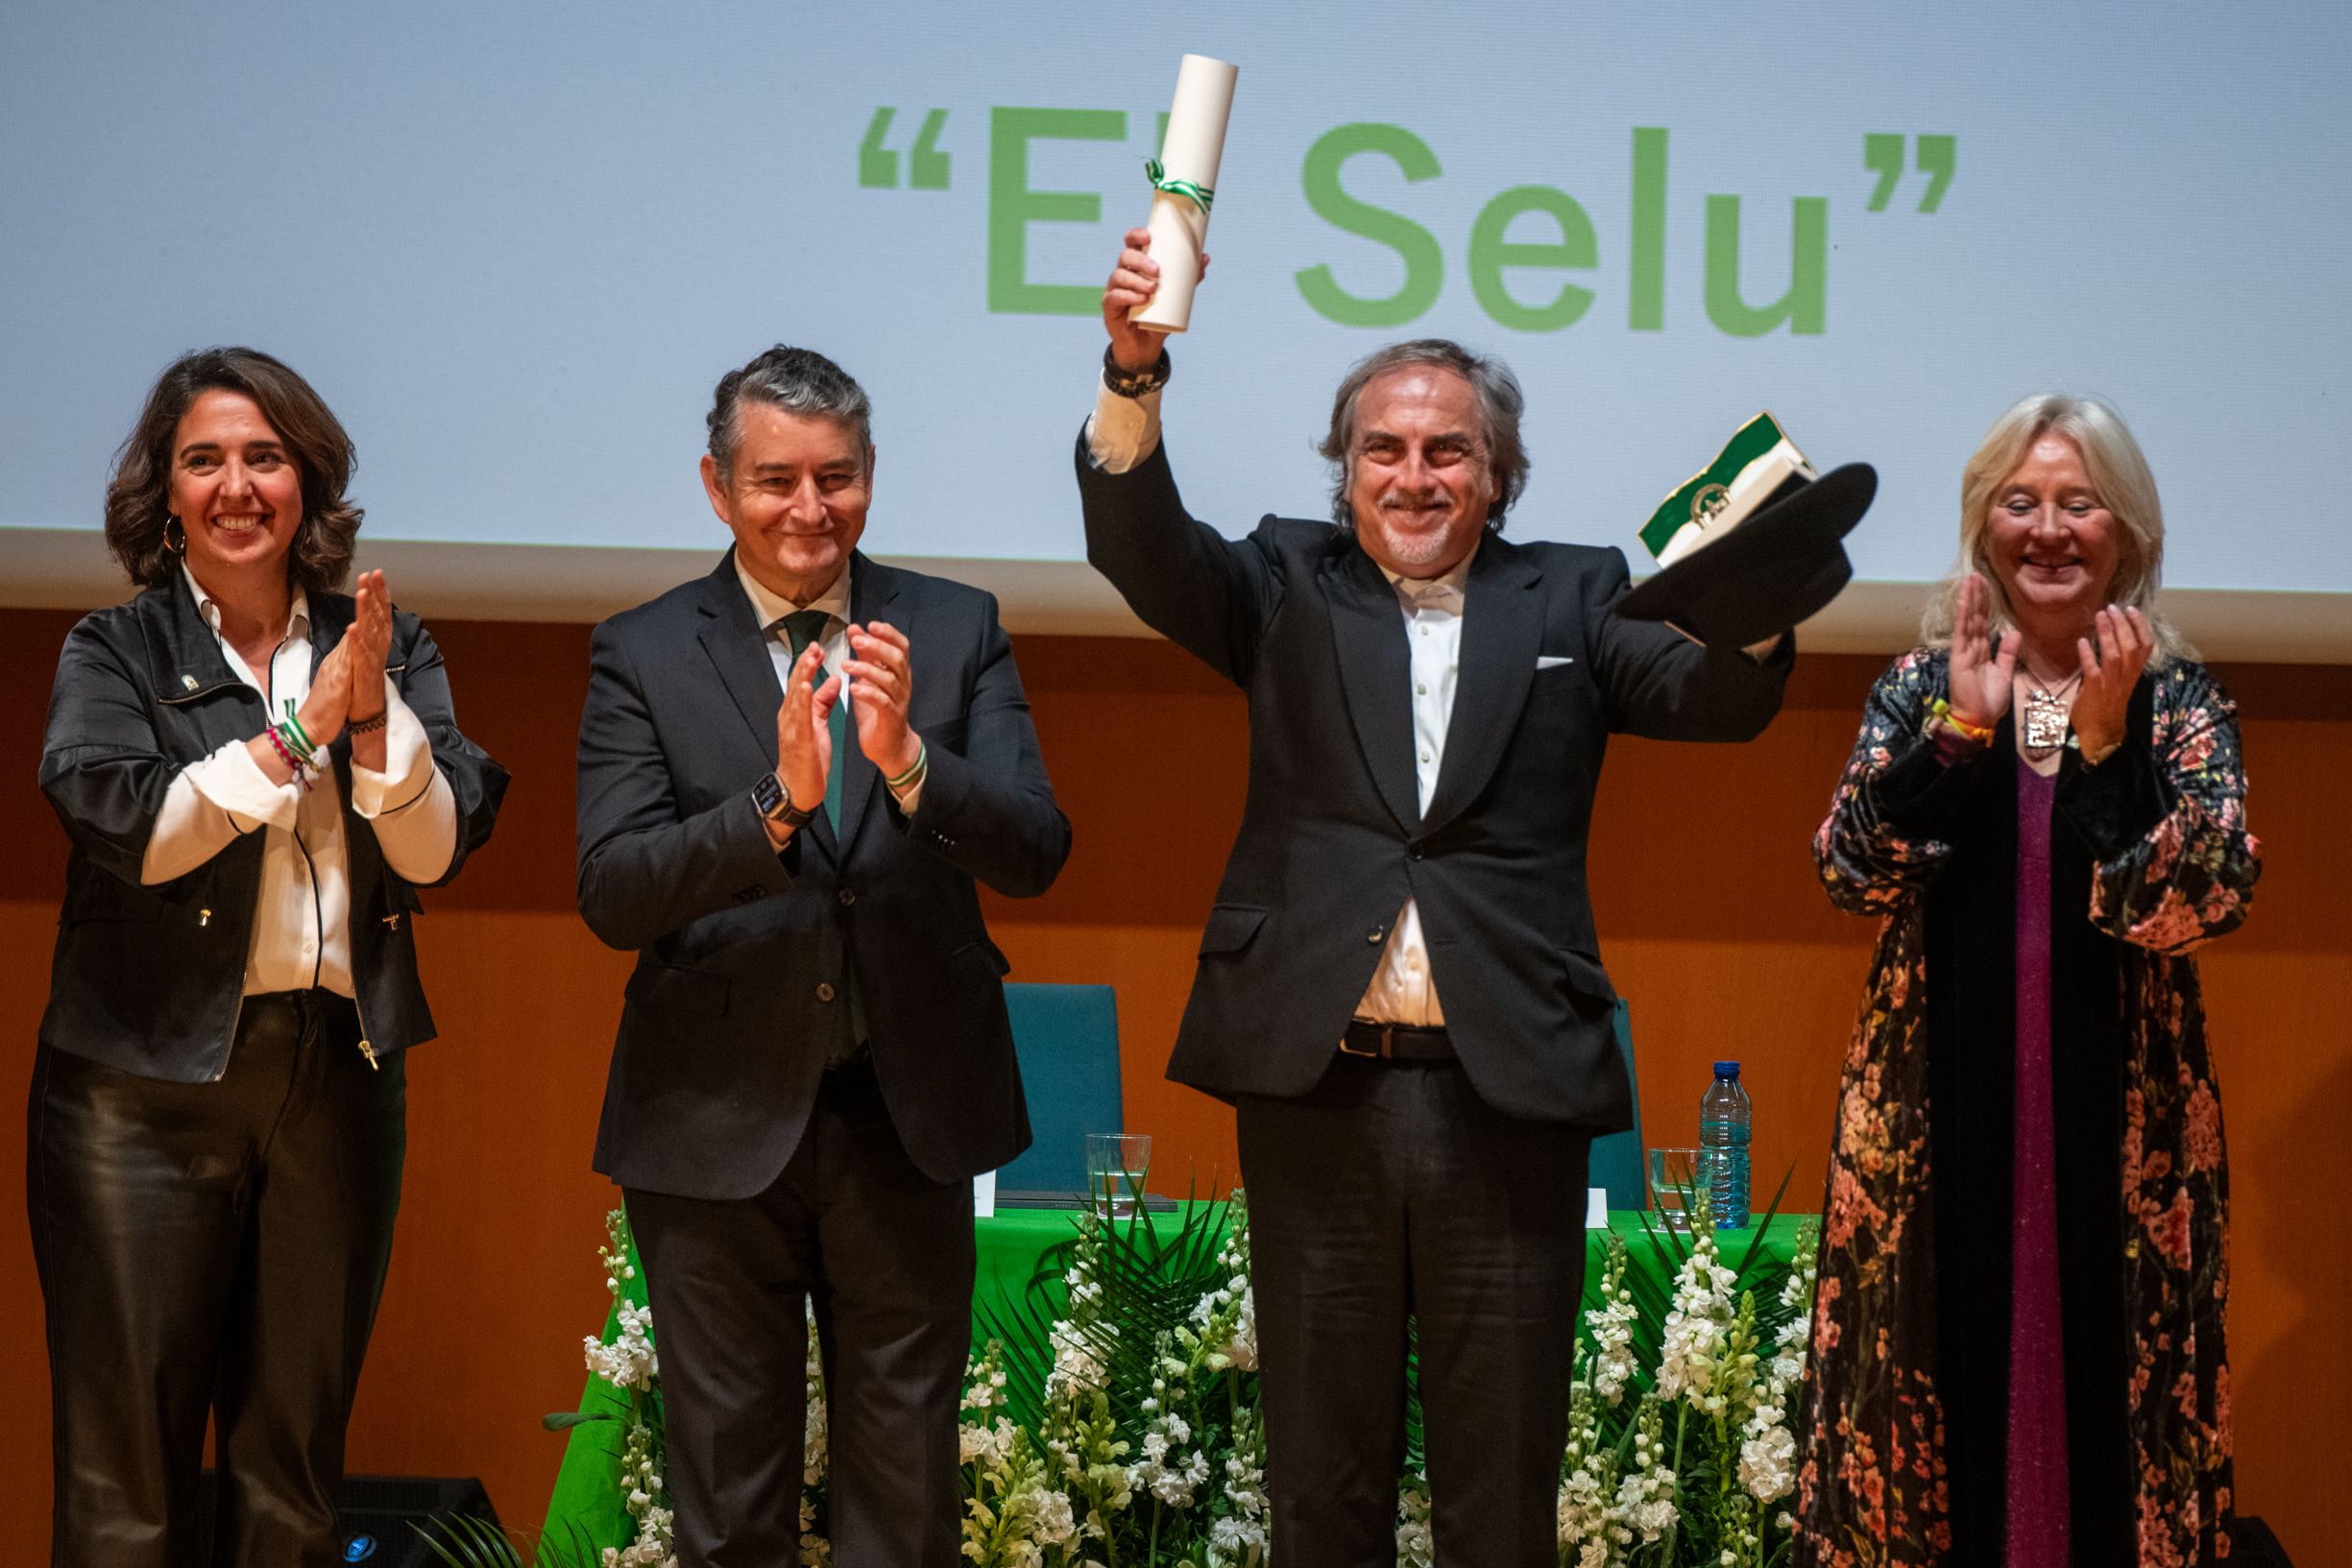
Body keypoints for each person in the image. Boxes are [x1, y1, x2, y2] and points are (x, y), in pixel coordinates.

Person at [1079, 230, 1799, 1566]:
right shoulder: (1285, 581)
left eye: (1448, 451)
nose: (1415, 475)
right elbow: (1140, 547)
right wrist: (1135, 368)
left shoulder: (1577, 591)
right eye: (1384, 450)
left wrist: (1759, 600)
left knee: (1502, 1491)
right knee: (1321, 1480)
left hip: (1503, 1094)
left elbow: (1717, 700)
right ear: (1346, 470)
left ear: (1499, 475)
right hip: (1317, 1087)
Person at [575, 345, 1070, 1566]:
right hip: (711, 1118)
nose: (810, 511)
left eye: (837, 478)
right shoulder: (639, 649)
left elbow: (1036, 849)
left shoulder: (954, 627)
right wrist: (773, 807)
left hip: (906, 1116)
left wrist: (909, 762)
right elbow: (615, 888)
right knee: (729, 1502)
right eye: (776, 480)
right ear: (716, 486)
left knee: (904, 1504)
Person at [33, 347, 507, 1566]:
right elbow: (134, 826)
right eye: (204, 461)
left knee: (292, 1473)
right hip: (138, 1098)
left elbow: (438, 843)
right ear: (165, 491)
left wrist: (373, 717)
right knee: (126, 1481)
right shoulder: (114, 648)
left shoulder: (384, 642)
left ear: (309, 483)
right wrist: (300, 727)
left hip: (336, 1085)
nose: (236, 485)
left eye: (264, 457)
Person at [1798, 395, 2257, 1566]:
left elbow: (2196, 905)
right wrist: (1956, 732)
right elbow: (1848, 873)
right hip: (1933, 1118)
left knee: (2113, 1397)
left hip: (2123, 1125)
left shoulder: (2181, 702)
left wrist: (2106, 753)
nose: (2047, 529)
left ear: (2128, 534)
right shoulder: (1922, 686)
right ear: (1981, 529)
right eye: (2019, 502)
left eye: (2077, 501)